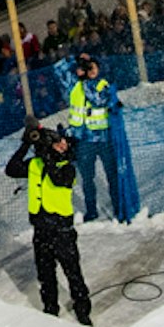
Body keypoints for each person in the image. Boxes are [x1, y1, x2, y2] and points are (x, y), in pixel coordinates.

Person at [4, 121, 91, 325]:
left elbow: (58, 179)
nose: (61, 145)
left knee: (73, 273)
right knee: (45, 274)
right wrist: (25, 144)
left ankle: (83, 310)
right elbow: (11, 169)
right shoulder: (35, 164)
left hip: (62, 230)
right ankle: (50, 309)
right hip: (41, 229)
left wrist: (47, 156)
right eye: (57, 142)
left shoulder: (68, 167)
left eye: (62, 142)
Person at [55, 52, 121, 221]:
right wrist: (75, 59)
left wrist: (86, 79)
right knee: (87, 179)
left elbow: (98, 100)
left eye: (94, 66)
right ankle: (91, 210)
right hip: (84, 141)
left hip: (104, 139)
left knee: (112, 176)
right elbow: (58, 69)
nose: (91, 70)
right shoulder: (74, 86)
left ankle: (118, 208)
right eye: (87, 67)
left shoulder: (102, 85)